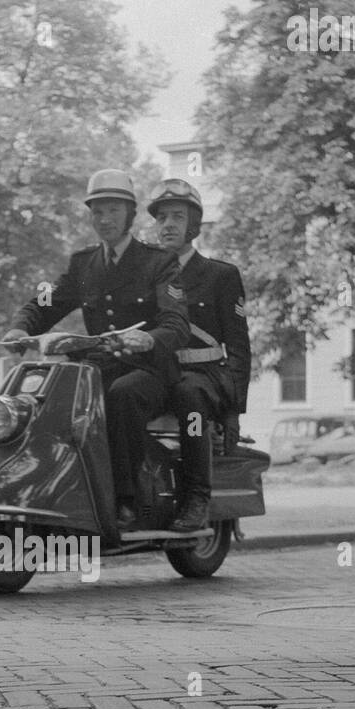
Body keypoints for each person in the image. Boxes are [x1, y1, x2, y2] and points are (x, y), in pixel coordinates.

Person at [3, 169, 189, 530]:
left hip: (149, 370)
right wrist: (20, 327)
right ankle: (46, 488)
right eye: (97, 212)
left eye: (113, 211)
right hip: (99, 365)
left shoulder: (158, 262)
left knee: (121, 396)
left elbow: (177, 324)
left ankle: (125, 501)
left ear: (129, 215)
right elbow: (44, 303)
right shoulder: (83, 263)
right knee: (42, 398)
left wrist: (149, 338)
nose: (104, 220)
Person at [148, 178, 252, 532]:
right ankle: (132, 497)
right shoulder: (147, 274)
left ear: (193, 224)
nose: (169, 225)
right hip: (161, 372)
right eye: (162, 218)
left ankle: (196, 499)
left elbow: (238, 345)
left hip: (206, 375)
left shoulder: (220, 275)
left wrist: (234, 408)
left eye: (178, 217)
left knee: (189, 399)